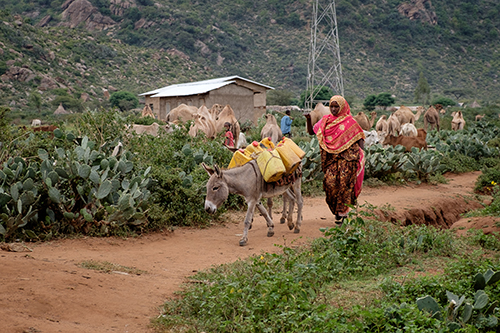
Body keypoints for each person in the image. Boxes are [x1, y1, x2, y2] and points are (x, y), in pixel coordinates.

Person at [304, 95, 365, 226]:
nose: (333, 109)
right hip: (331, 159)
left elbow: (360, 137)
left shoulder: (350, 121)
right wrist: (309, 120)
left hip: (348, 159)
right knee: (329, 184)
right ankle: (337, 211)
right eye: (331, 106)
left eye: (336, 106)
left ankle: (342, 213)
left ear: (342, 107)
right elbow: (311, 132)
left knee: (344, 185)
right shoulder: (325, 120)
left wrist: (361, 155)